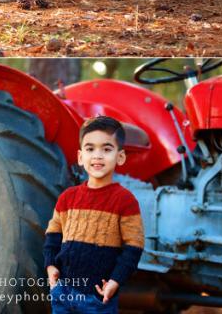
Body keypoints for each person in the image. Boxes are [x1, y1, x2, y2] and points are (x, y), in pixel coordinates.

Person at [44, 116, 144, 313]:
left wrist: (115, 280)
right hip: (62, 293)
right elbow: (52, 235)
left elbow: (134, 246)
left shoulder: (125, 201)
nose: (97, 156)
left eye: (106, 149)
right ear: (81, 157)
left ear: (120, 157)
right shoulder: (67, 198)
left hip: (97, 298)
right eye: (90, 149)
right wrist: (50, 266)